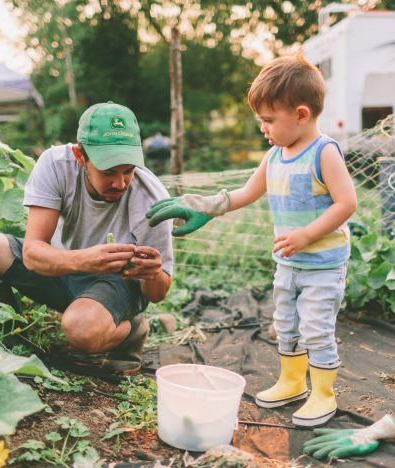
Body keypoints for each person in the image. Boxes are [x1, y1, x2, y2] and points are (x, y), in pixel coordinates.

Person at [146, 53, 357, 426]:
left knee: (316, 327)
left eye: (268, 120)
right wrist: (208, 205)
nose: (263, 128)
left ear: (302, 115)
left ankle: (323, 392)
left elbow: (347, 203)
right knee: (286, 322)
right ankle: (293, 381)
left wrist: (307, 234)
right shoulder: (275, 155)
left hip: (322, 265)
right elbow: (246, 192)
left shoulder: (324, 153)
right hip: (288, 264)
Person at [0, 101, 173, 378]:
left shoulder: (153, 199)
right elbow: (33, 252)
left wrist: (153, 274)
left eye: (128, 170)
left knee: (81, 330)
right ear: (80, 156)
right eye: (108, 171)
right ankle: (13, 340)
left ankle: (131, 330)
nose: (120, 183)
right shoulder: (55, 164)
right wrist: (85, 260)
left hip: (113, 284)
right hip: (59, 267)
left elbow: (157, 295)